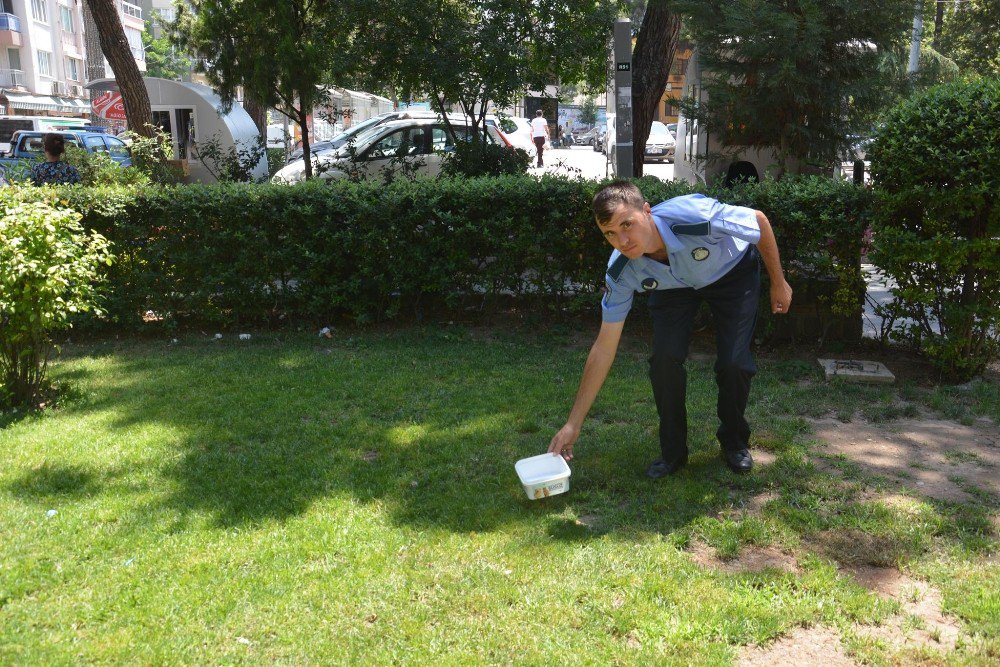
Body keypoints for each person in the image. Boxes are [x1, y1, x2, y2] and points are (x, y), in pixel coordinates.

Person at [548, 182, 793, 477]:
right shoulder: (622, 270)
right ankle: (673, 453)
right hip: (673, 287)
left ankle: (734, 441)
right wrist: (573, 423)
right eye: (610, 234)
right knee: (664, 360)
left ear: (647, 211)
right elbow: (603, 348)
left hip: (731, 272)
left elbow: (758, 221)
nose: (622, 241)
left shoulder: (694, 217)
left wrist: (779, 282)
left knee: (734, 362)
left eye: (627, 224)